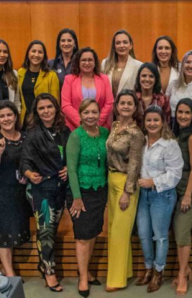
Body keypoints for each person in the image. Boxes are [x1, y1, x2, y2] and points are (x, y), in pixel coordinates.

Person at [20, 93, 70, 292]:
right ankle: (49, 272)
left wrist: (68, 167)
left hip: (59, 189)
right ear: (36, 112)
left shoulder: (65, 131)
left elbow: (72, 156)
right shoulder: (32, 134)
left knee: (51, 231)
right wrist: (29, 174)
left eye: (49, 107)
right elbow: (24, 161)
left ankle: (44, 264)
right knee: (45, 232)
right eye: (41, 108)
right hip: (40, 190)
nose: (46, 111)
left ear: (56, 109)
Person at [136, 105, 183, 292]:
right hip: (142, 195)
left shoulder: (170, 144)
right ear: (144, 122)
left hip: (162, 194)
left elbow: (175, 173)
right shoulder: (141, 142)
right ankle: (148, 268)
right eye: (149, 120)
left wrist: (153, 181)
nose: (152, 123)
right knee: (143, 234)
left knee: (160, 236)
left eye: (156, 120)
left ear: (162, 122)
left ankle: (158, 271)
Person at [65, 99, 109, 297]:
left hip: (100, 190)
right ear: (80, 115)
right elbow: (71, 169)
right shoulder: (76, 136)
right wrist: (76, 197)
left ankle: (86, 270)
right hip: (80, 191)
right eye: (86, 112)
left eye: (94, 112)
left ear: (99, 113)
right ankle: (82, 277)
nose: (90, 116)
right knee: (82, 236)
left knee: (92, 233)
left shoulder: (105, 134)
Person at [105, 90, 145, 291]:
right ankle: (125, 271)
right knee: (114, 230)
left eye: (130, 103)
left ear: (135, 107)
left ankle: (116, 280)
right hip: (111, 179)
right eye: (123, 103)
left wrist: (127, 192)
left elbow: (135, 165)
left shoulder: (136, 134)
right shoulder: (114, 127)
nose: (126, 106)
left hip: (125, 184)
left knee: (120, 233)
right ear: (117, 106)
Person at [0, 101, 31, 277]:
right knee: (3, 235)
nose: (6, 119)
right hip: (1, 194)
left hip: (20, 193)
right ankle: (10, 275)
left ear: (15, 116)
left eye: (9, 115)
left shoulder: (25, 137)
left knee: (14, 233)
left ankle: (5, 268)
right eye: (2, 116)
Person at [171, 98, 192, 294]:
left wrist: (188, 194)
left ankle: (182, 274)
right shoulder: (173, 135)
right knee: (175, 230)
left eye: (187, 113)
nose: (183, 116)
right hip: (172, 186)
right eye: (180, 112)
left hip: (188, 187)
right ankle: (187, 268)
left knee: (182, 232)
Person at [61, 47, 115, 130]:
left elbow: (109, 103)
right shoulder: (69, 79)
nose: (87, 63)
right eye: (83, 60)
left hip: (100, 128)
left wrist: (96, 123)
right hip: (75, 128)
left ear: (95, 62)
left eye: (90, 60)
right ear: (78, 62)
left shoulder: (104, 79)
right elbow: (66, 105)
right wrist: (82, 123)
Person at [18, 40, 61, 122]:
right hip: (24, 121)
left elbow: (55, 103)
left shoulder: (51, 75)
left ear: (44, 56)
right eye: (33, 51)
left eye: (40, 52)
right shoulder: (20, 72)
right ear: (28, 53)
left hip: (44, 120)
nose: (36, 55)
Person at [102, 30, 143, 96]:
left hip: (127, 105)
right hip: (109, 105)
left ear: (130, 46)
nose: (121, 45)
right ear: (114, 46)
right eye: (118, 43)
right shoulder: (105, 63)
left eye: (125, 42)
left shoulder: (138, 66)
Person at [0, 39, 20, 106]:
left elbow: (16, 101)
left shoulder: (14, 74)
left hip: (9, 115)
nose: (2, 55)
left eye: (5, 52)